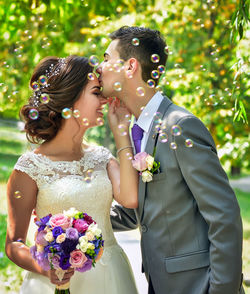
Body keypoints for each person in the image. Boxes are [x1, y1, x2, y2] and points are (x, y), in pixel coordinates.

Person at [97, 26, 245, 294]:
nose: (100, 67)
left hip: (198, 287)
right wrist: (79, 222)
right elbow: (138, 212)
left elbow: (224, 217)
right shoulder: (136, 128)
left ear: (130, 66)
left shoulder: (180, 125)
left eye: (107, 58)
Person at [5, 55, 139, 294]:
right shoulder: (29, 168)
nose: (106, 100)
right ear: (70, 99)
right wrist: (47, 269)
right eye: (96, 92)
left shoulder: (102, 158)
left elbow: (130, 198)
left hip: (111, 276)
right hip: (52, 283)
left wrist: (121, 132)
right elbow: (13, 244)